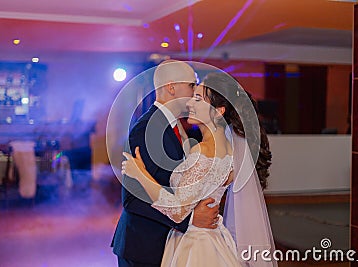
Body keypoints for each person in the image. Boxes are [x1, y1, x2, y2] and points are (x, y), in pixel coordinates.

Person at [122, 72, 277, 267]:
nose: (189, 104)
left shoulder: (203, 152)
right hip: (213, 238)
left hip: (195, 245)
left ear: (219, 110)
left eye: (198, 99)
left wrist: (139, 173)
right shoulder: (230, 153)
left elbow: (177, 211)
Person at [111, 60, 220, 267]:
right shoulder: (146, 129)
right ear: (171, 87)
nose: (194, 91)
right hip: (144, 246)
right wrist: (190, 218)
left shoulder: (178, 127)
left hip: (167, 244)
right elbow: (133, 199)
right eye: (191, 85)